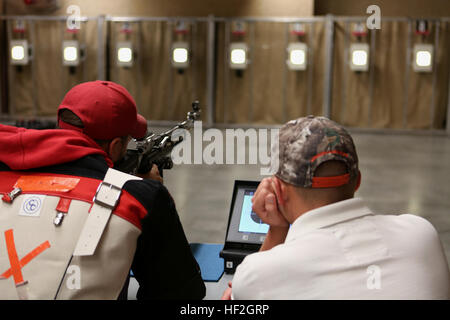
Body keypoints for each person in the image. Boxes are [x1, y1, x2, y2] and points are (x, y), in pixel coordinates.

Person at [0, 81, 205, 300]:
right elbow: (183, 293)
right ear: (116, 146)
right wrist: (148, 192)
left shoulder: (8, 168)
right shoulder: (140, 198)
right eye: (127, 142)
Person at [223, 116, 449, 300]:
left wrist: (277, 230)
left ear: (278, 191)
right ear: (357, 180)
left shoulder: (258, 275)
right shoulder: (421, 234)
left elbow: (241, 291)